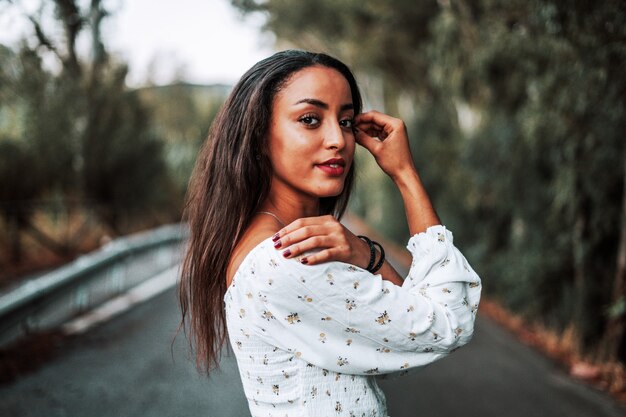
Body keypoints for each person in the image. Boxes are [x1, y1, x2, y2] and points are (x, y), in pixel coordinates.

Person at [179, 50, 481, 417]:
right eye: (310, 119)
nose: (338, 139)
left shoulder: (283, 244)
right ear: (258, 136)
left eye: (347, 121)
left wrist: (364, 255)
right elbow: (447, 322)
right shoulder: (287, 259)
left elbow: (392, 335)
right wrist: (405, 174)